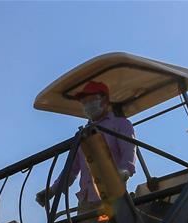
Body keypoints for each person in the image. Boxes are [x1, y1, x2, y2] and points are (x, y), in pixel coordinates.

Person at [36, 81, 136, 215]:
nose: (87, 105)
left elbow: (129, 154)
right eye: (84, 102)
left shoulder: (121, 124)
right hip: (85, 202)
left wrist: (123, 172)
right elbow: (72, 169)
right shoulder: (84, 133)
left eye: (91, 100)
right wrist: (53, 190)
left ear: (104, 100)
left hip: (112, 197)